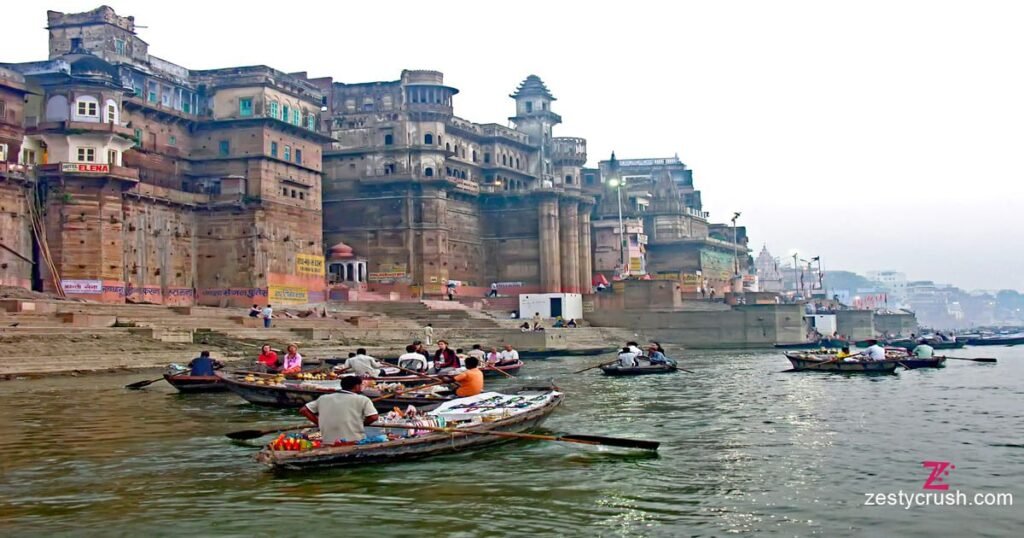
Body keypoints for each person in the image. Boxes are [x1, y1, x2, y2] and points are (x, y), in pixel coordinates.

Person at [300, 375, 379, 445]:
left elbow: (304, 410)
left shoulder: (323, 398)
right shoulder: (363, 399)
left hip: (328, 441)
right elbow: (374, 417)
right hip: (354, 441)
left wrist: (319, 423)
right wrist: (361, 424)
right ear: (357, 386)